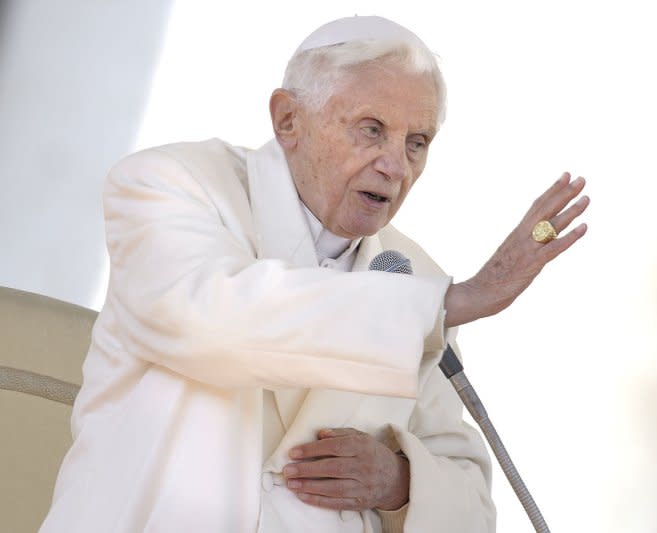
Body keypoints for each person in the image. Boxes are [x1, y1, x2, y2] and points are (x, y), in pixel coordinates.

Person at [40, 15, 589, 533]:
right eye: (372, 130)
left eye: (416, 143)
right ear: (288, 120)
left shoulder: (414, 274)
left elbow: (472, 500)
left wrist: (398, 481)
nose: (396, 166)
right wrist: (451, 303)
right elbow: (212, 319)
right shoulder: (171, 186)